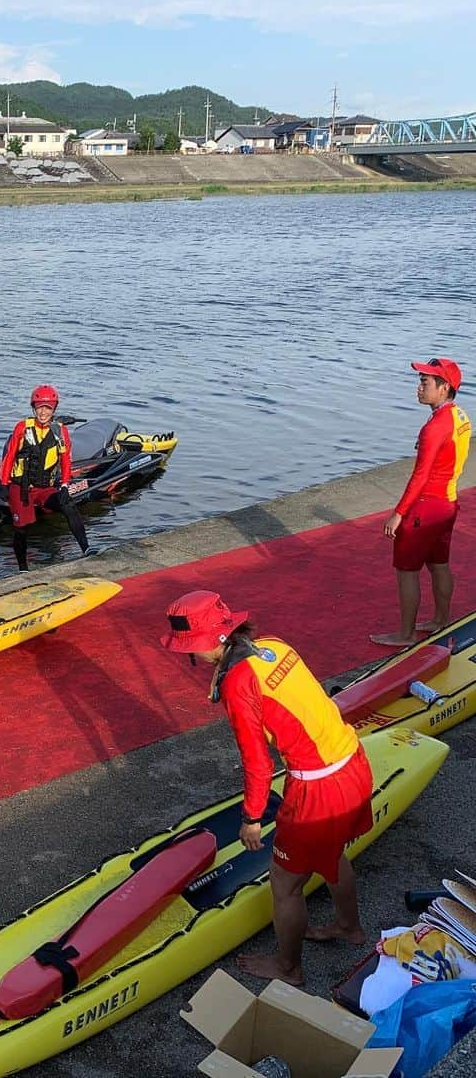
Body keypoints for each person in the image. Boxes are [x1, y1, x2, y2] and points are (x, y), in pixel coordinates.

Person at [161, 590, 373, 986]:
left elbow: (258, 764)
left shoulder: (238, 683)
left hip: (318, 787)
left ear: (216, 640)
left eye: (191, 647)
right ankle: (349, 927)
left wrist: (252, 819)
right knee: (333, 851)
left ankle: (288, 968)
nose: (189, 657)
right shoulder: (272, 646)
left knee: (285, 882)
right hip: (352, 759)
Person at [371, 358, 470, 647]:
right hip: (448, 503)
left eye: (425, 382)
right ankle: (441, 619)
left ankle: (406, 634)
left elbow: (421, 475)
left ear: (444, 388)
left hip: (427, 506)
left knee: (406, 570)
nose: (419, 387)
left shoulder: (435, 426)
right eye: (421, 380)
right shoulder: (459, 416)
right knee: (439, 564)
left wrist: (398, 513)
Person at [0, 384, 95, 571]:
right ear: (34, 408)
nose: (43, 412)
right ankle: (23, 568)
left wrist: (65, 485)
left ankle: (86, 549)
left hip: (45, 488)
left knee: (68, 506)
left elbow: (66, 460)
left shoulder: (60, 431)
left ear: (54, 409)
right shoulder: (22, 428)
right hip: (22, 487)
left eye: (48, 408)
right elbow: (10, 457)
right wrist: (4, 484)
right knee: (21, 528)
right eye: (40, 407)